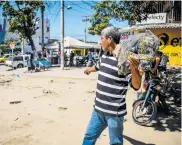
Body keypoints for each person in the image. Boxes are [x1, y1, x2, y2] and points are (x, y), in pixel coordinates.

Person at [83, 27, 141, 145]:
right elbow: (98, 66)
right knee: (89, 136)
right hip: (98, 110)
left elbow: (136, 86)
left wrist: (134, 69)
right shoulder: (104, 56)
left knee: (115, 143)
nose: (100, 41)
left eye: (102, 38)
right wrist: (89, 69)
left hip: (114, 113)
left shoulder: (123, 60)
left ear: (109, 39)